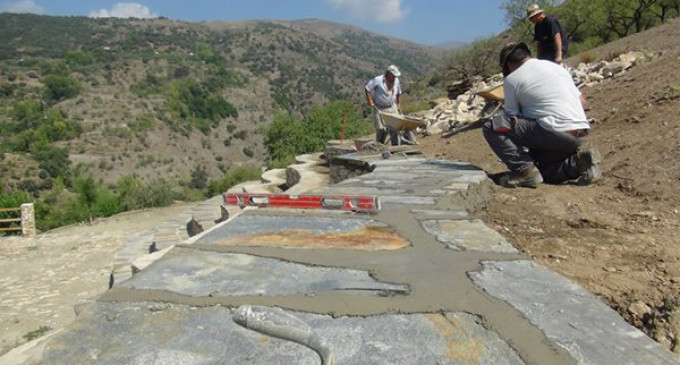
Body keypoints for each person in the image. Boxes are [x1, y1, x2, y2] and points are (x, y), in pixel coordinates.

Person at [482, 42, 601, 188]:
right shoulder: (557, 68)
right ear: (528, 55)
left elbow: (511, 117)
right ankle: (578, 163)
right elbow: (583, 103)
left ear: (509, 65)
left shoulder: (512, 79)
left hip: (553, 131)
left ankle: (525, 172)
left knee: (492, 126)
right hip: (579, 134)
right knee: (543, 171)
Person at [365, 65, 416, 145]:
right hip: (380, 108)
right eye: (393, 75)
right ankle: (379, 146)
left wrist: (398, 105)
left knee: (395, 128)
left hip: (392, 106)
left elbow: (398, 93)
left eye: (395, 76)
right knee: (381, 129)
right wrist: (370, 100)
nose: (395, 77)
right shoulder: (378, 80)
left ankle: (395, 146)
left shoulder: (396, 81)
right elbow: (367, 89)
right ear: (388, 74)